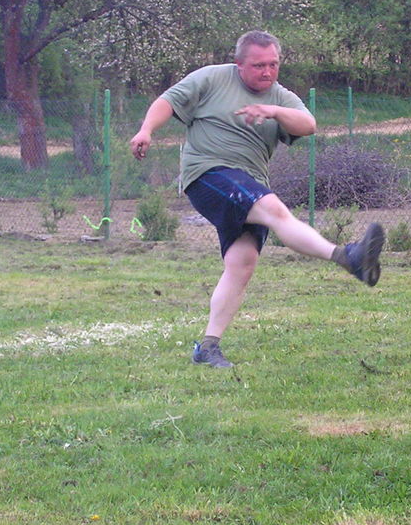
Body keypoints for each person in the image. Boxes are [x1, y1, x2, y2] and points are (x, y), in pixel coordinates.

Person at [130, 30, 384, 368]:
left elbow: (308, 125)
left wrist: (274, 111)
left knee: (243, 262)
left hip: (251, 182)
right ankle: (347, 257)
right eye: (258, 65)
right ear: (239, 64)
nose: (267, 72)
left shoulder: (280, 96)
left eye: (273, 64)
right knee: (275, 210)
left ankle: (208, 347)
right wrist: (146, 130)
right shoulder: (212, 78)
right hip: (207, 173)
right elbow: (167, 101)